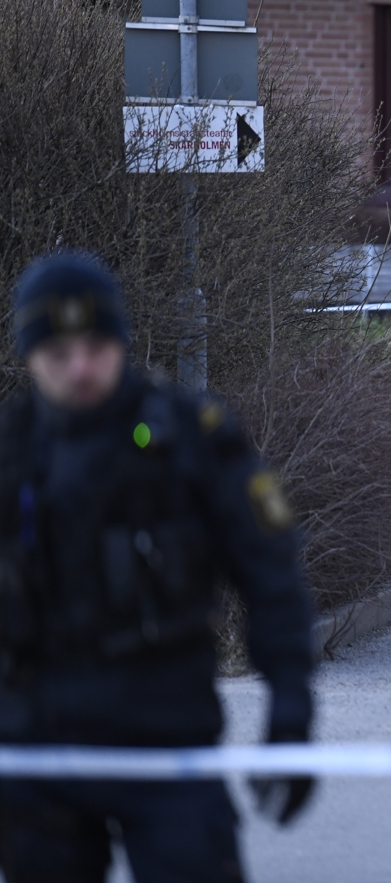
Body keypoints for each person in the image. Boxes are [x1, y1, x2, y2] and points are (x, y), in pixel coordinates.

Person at [0, 252, 316, 882]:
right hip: (40, 752)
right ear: (30, 358)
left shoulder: (190, 438)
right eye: (60, 354)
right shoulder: (10, 455)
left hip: (167, 742)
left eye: (96, 346)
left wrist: (290, 716)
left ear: (122, 340)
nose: (82, 368)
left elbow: (272, 578)